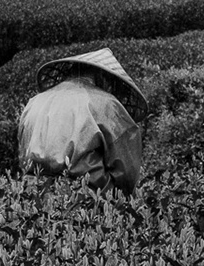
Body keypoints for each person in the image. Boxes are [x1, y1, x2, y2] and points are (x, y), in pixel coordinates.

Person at [16, 47, 146, 193]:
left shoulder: (34, 102)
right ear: (102, 76)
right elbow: (126, 172)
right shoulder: (107, 104)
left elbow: (22, 155)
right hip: (84, 198)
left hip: (33, 195)